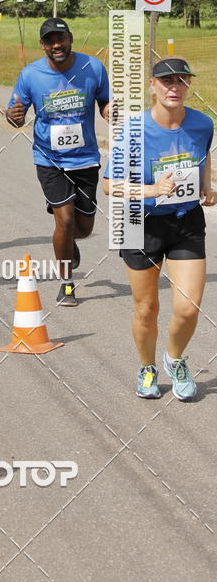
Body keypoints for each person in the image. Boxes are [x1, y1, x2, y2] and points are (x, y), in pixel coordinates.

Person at [103, 58, 215, 400]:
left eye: (182, 81)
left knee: (188, 307)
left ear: (188, 86)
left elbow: (202, 155)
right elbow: (109, 185)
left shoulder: (202, 124)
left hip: (185, 221)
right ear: (152, 86)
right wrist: (151, 191)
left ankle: (175, 359)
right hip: (140, 223)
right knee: (146, 308)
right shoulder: (134, 131)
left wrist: (207, 185)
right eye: (167, 81)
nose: (174, 87)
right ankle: (147, 368)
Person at [6, 18, 111, 306]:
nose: (56, 45)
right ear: (42, 45)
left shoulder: (93, 68)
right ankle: (66, 283)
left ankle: (68, 242)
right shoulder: (31, 75)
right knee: (64, 219)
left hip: (86, 158)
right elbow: (15, 111)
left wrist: (109, 110)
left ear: (70, 38)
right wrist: (13, 117)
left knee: (84, 227)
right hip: (49, 158)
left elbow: (104, 100)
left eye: (60, 38)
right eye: (50, 41)